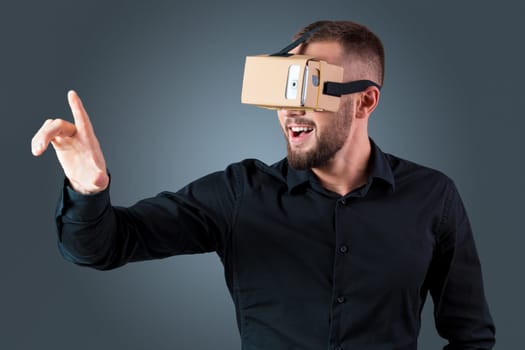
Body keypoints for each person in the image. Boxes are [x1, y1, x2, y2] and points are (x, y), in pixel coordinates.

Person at [31, 20, 495, 350]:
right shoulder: (239, 193)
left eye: (308, 87)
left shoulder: (433, 196)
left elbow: (471, 335)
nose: (288, 110)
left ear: (365, 101)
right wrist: (88, 189)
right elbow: (103, 246)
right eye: (281, 89)